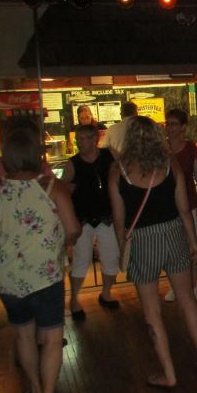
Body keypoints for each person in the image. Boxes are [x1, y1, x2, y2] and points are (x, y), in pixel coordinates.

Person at [0, 119, 81, 393]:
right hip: (44, 275)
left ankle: (36, 391)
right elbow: (73, 229)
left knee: (23, 334)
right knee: (51, 338)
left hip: (7, 277)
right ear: (37, 154)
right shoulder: (53, 187)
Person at [109, 116, 197, 388]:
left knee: (152, 312)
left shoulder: (118, 171)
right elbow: (184, 210)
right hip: (173, 233)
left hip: (142, 241)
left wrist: (122, 249)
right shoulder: (170, 164)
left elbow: (119, 220)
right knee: (187, 299)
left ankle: (169, 373)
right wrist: (193, 243)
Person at [61, 124, 120, 320]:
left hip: (106, 216)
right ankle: (74, 299)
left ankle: (106, 292)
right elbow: (64, 190)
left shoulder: (109, 155)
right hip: (83, 218)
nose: (80, 143)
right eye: (78, 139)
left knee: (111, 256)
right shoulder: (73, 163)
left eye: (83, 139)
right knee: (81, 259)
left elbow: (123, 172)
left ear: (94, 139)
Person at [164, 108, 197, 303]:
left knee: (193, 243)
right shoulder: (162, 148)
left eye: (173, 124)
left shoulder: (189, 148)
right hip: (168, 206)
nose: (170, 127)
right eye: (168, 123)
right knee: (171, 248)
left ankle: (193, 285)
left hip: (189, 203)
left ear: (182, 127)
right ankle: (176, 286)